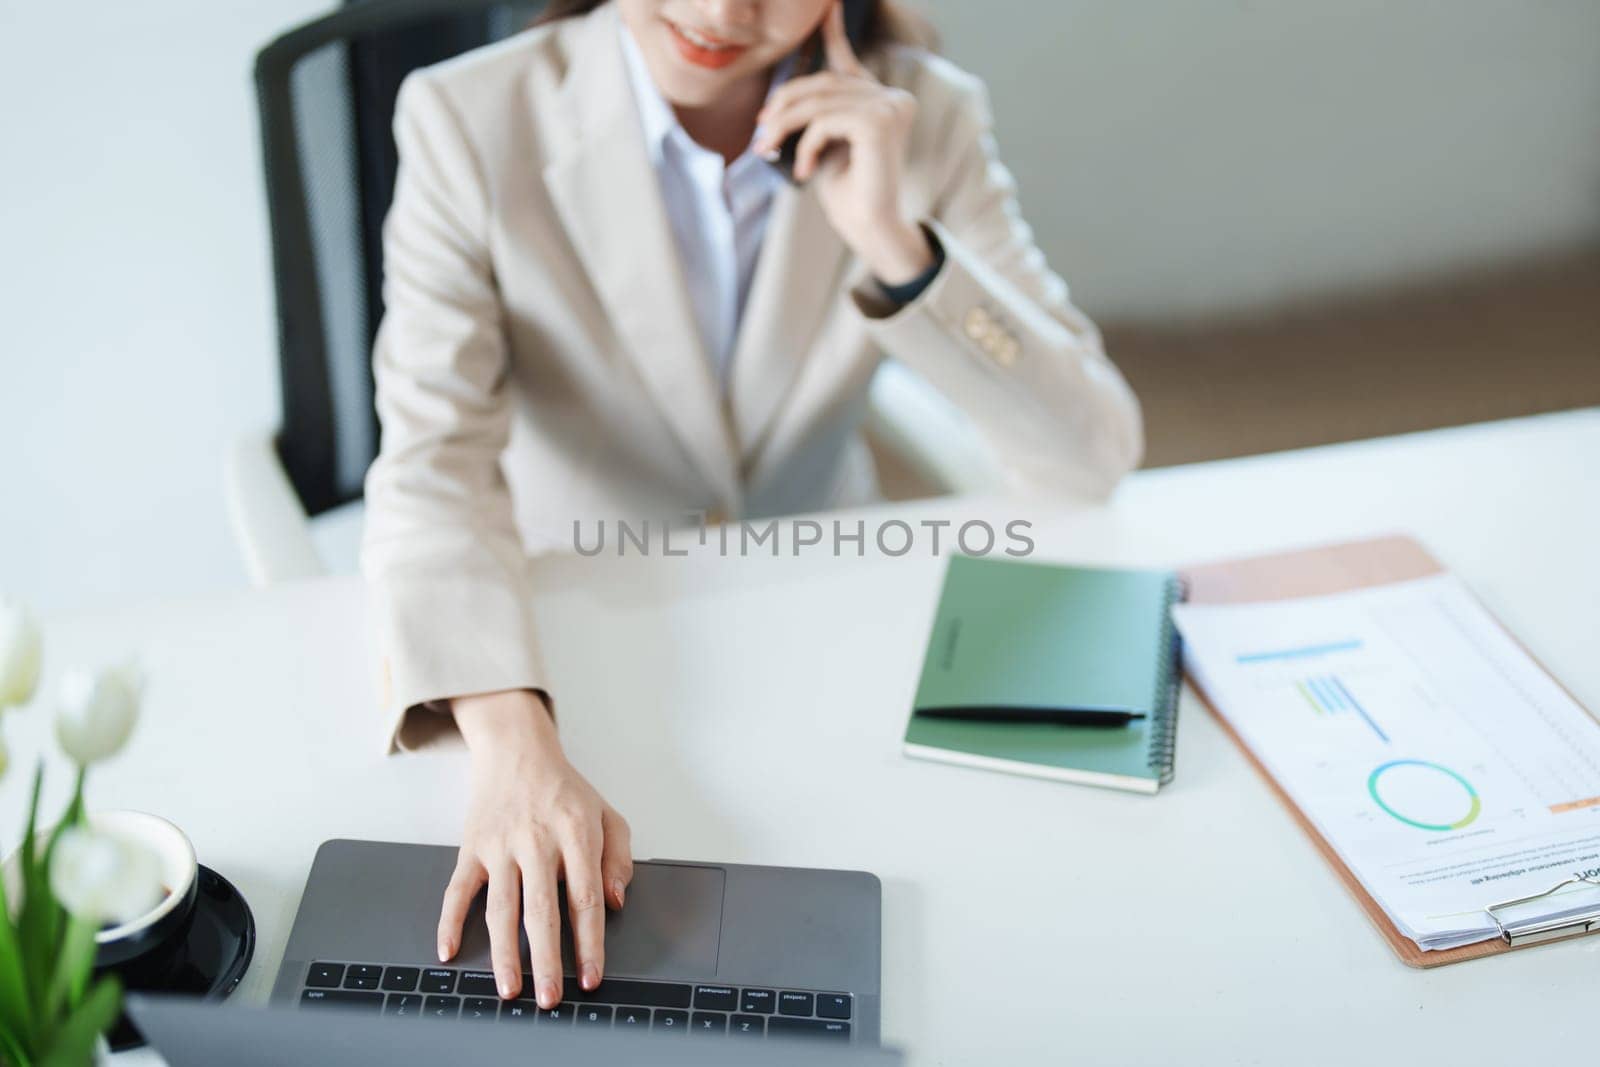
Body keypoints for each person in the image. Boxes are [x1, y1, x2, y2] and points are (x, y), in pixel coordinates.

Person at [360, 0, 1143, 1012]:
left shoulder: (924, 114)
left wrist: (900, 248)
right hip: (579, 637)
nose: (723, 13)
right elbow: (430, 470)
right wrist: (514, 747)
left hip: (823, 631)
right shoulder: (468, 116)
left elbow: (1092, 457)